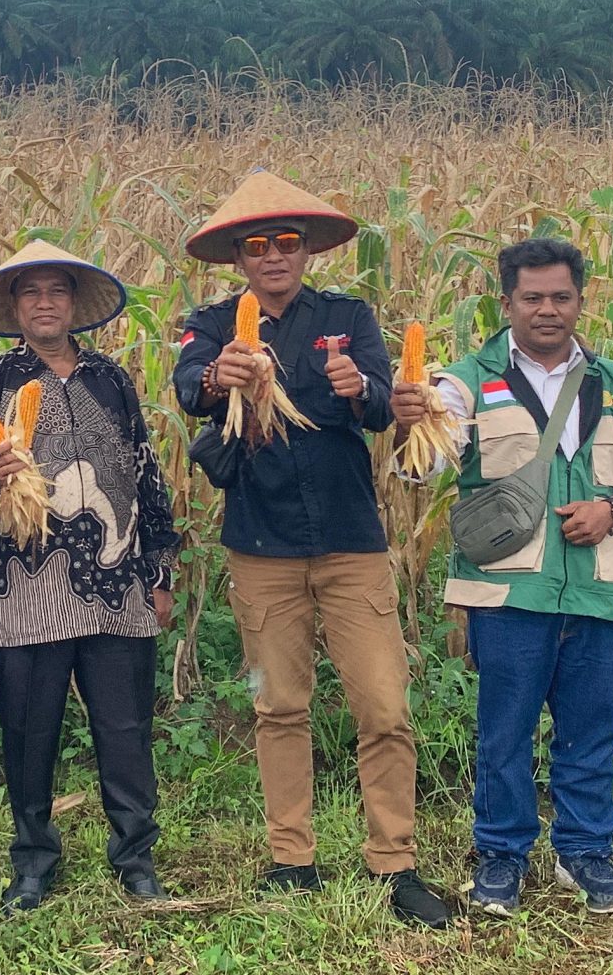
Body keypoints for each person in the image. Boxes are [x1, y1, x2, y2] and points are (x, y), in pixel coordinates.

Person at [173, 172, 453, 929]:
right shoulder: (211, 324)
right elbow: (189, 384)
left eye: (286, 243)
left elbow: (383, 409)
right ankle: (291, 858)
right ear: (239, 257)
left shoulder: (347, 316)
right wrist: (217, 375)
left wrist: (360, 384)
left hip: (349, 540)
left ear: (304, 252)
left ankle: (394, 861)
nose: (273, 256)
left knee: (385, 705)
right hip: (260, 546)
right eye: (257, 245)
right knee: (279, 706)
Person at [393, 236, 613, 917]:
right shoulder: (461, 383)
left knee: (593, 729)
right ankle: (501, 858)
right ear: (506, 302)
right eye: (533, 298)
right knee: (506, 731)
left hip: (601, 585)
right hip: (510, 588)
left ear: (580, 300)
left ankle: (586, 855)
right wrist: (412, 423)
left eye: (562, 297)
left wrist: (612, 510)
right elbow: (420, 466)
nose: (548, 310)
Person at [0, 240, 179, 913]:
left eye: (56, 291)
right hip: (29, 585)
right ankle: (33, 859)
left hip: (118, 580)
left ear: (74, 305)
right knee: (28, 730)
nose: (44, 303)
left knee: (125, 727)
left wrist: (159, 569)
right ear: (15, 307)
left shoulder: (110, 379)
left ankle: (136, 855)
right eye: (31, 293)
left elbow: (143, 472)